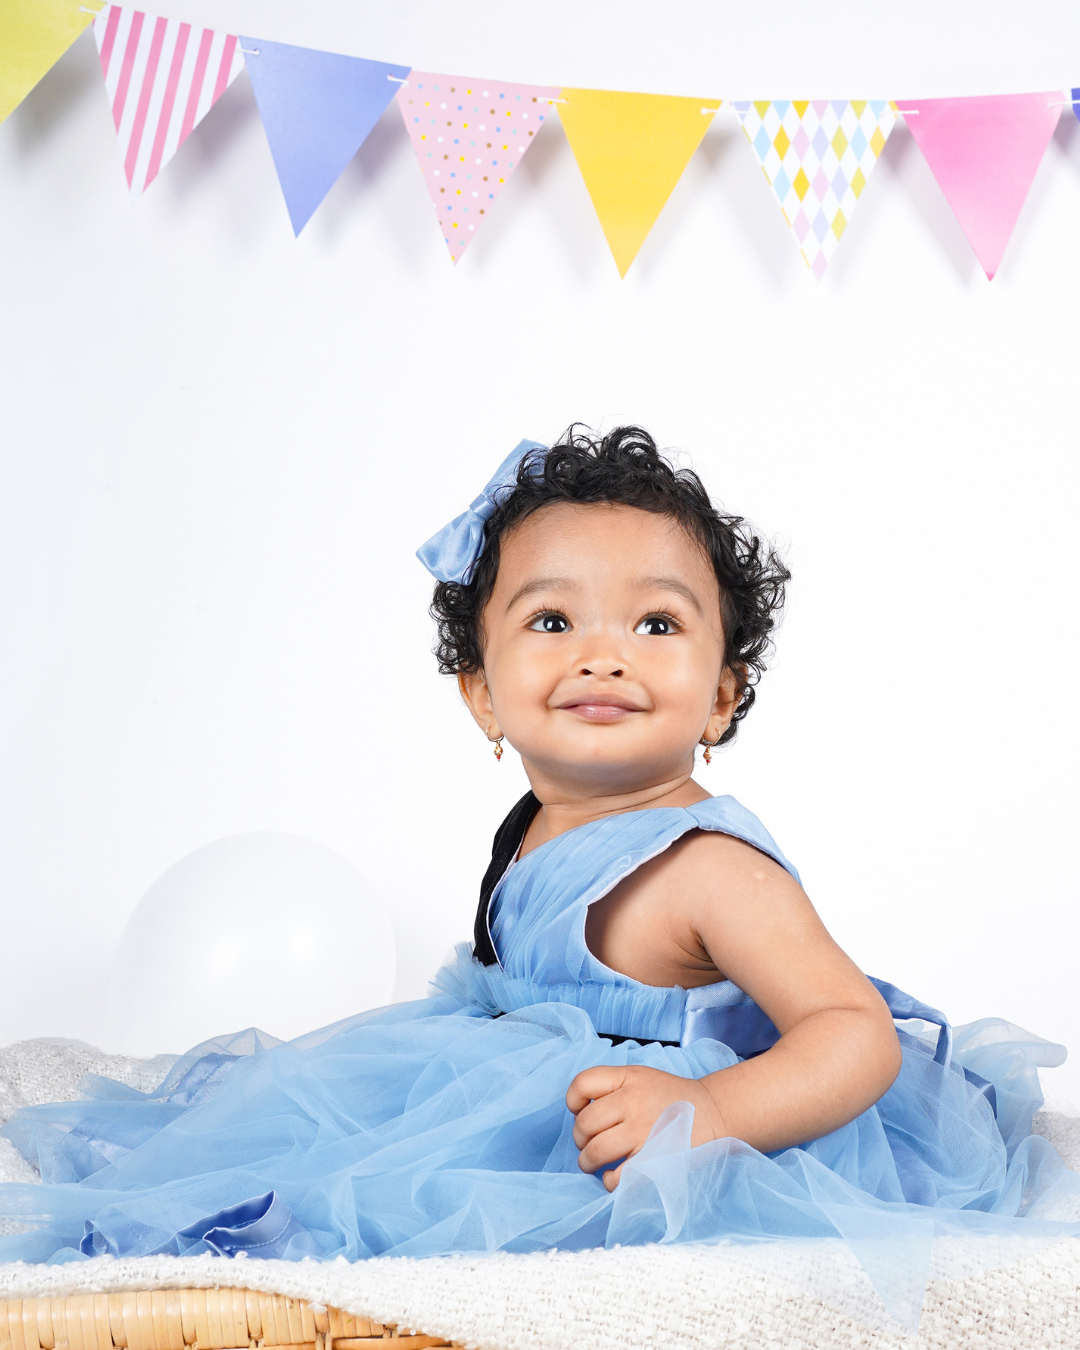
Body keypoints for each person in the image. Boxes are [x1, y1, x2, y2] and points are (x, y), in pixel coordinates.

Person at [1, 427, 1077, 1331]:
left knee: (435, 1215)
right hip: (553, 1103)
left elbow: (853, 1033)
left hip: (703, 1132)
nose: (604, 654)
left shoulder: (709, 869)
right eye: (553, 621)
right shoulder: (533, 830)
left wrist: (708, 1109)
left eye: (656, 624)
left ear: (720, 698)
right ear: (482, 694)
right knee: (312, 1167)